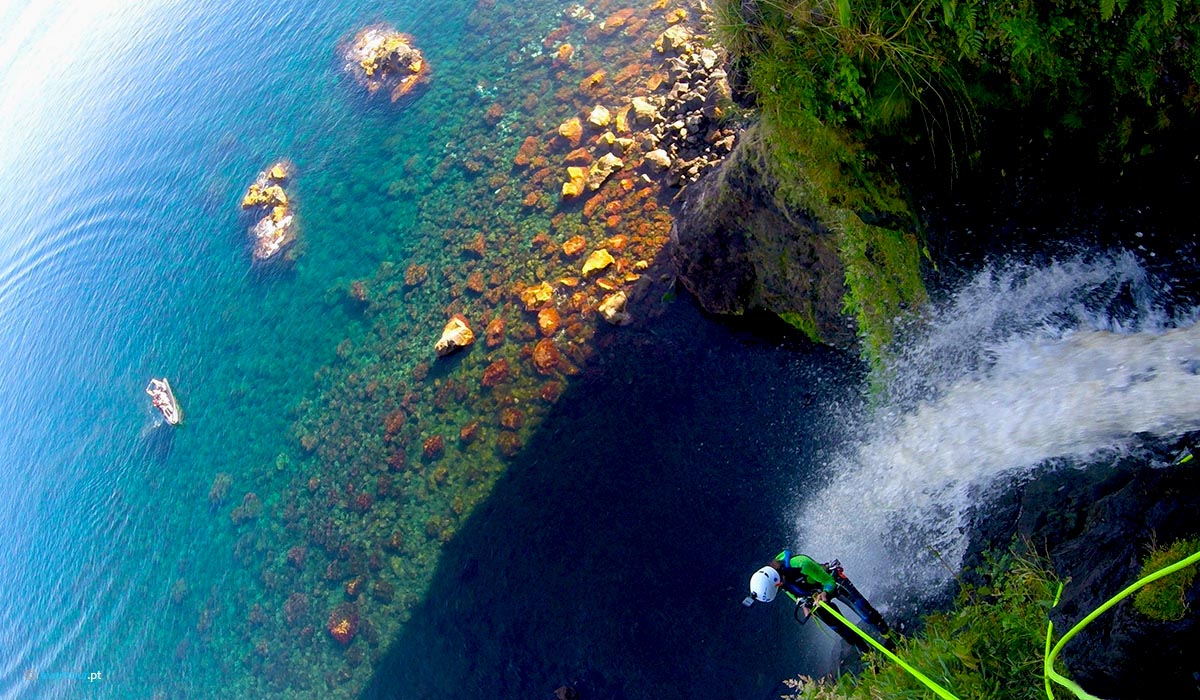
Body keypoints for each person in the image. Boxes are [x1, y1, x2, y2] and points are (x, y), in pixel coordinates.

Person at [746, 550, 895, 652]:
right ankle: (868, 654)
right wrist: (804, 605)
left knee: (865, 612)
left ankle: (890, 635)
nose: (781, 588)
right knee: (842, 630)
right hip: (813, 597)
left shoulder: (801, 564)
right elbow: (794, 594)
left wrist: (824, 593)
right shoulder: (780, 583)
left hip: (831, 582)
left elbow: (828, 581)